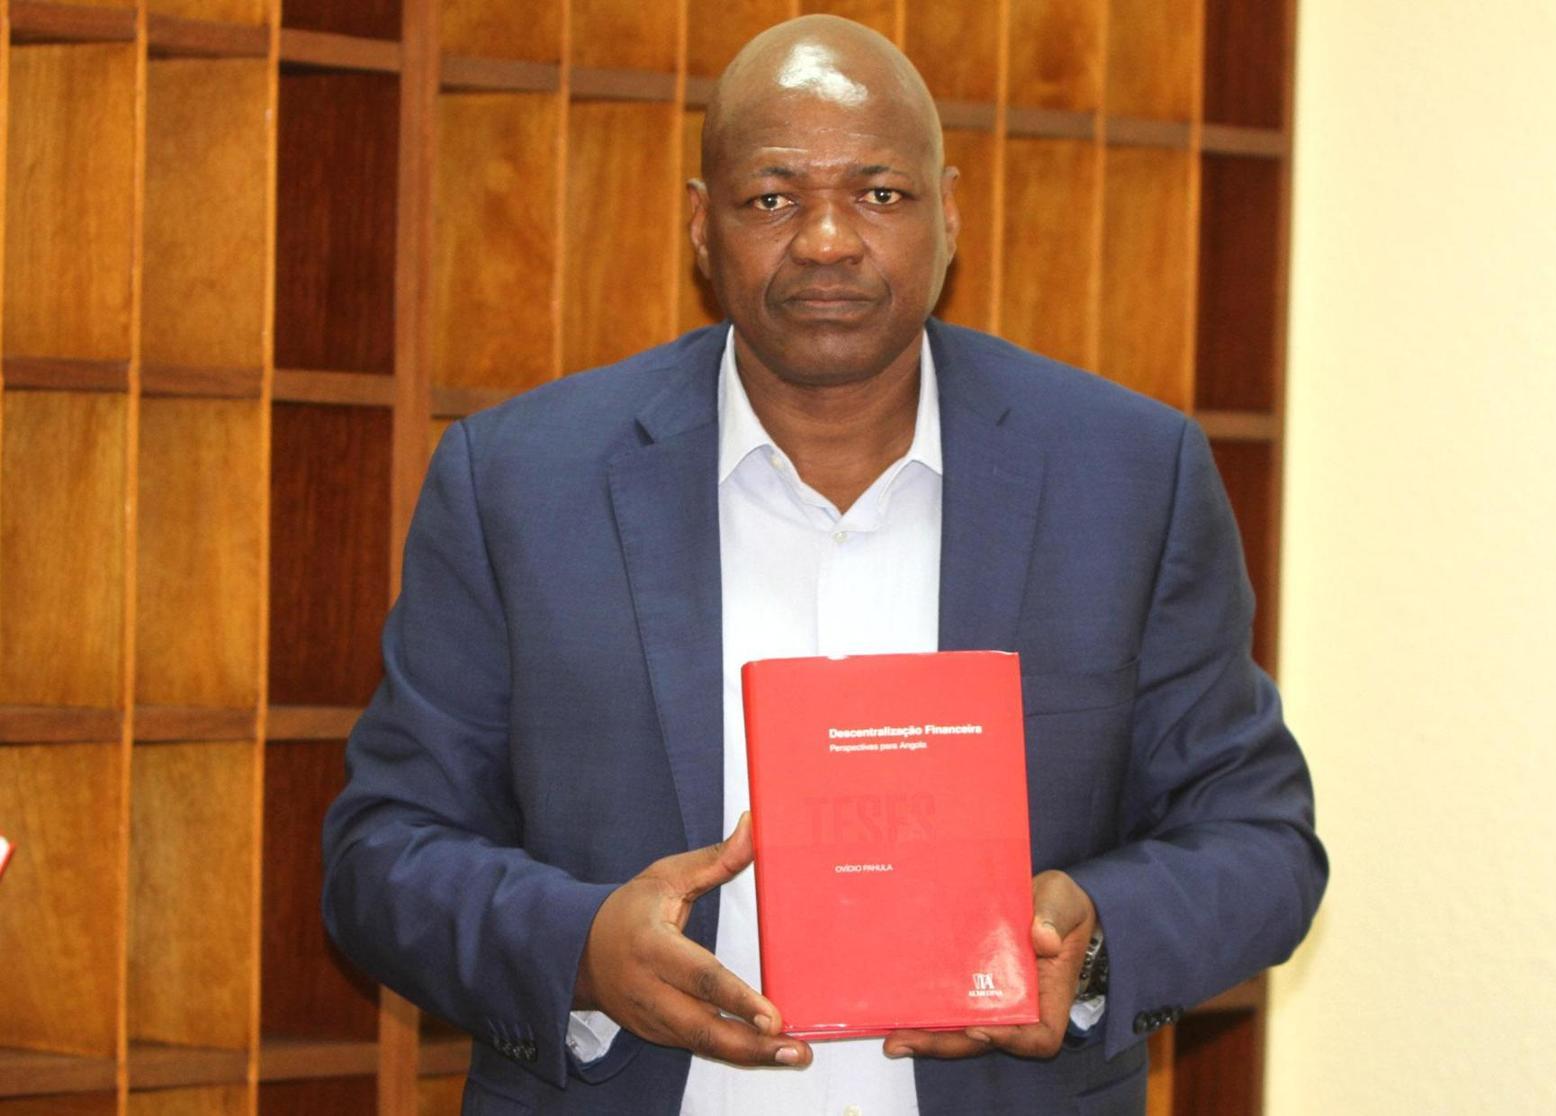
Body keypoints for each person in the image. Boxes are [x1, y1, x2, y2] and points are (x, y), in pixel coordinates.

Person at [322, 14, 1326, 1115]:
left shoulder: (1127, 477)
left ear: (950, 213)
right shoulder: (519, 482)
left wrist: (1090, 948)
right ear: (701, 226)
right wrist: (583, 949)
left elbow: (1260, 841)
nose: (828, 240)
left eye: (879, 194)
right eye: (773, 199)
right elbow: (383, 852)